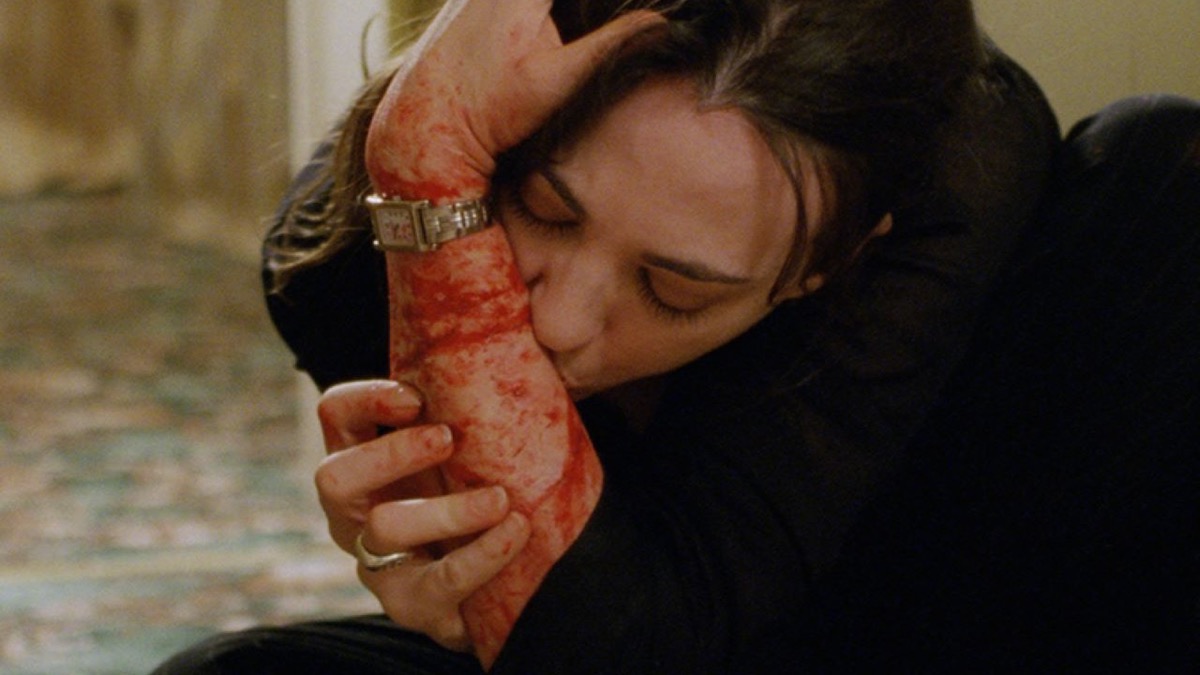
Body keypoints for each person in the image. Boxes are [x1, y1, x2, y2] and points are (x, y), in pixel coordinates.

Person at [154, 0, 1200, 673]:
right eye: (543, 211)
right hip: (633, 628)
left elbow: (634, 635)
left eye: (673, 291)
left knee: (1163, 175)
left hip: (931, 609)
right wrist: (427, 171)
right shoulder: (362, 243)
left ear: (829, 266)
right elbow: (585, 642)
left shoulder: (952, 159)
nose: (556, 321)